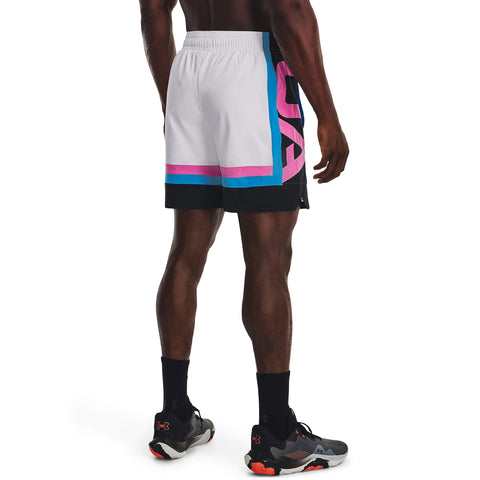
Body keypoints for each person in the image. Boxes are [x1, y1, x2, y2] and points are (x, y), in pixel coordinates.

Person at [139, 0, 349, 474]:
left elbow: (153, 10)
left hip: (190, 66)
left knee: (186, 250)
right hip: (252, 71)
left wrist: (174, 98)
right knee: (268, 257)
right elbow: (289, 9)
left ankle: (174, 418)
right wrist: (328, 114)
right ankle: (276, 434)